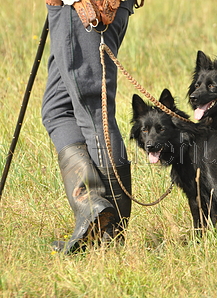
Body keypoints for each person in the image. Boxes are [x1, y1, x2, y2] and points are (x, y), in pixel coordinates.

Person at [42, 0, 143, 254]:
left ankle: (108, 237)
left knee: (95, 113)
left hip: (82, 9)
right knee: (57, 108)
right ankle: (94, 214)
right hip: (76, 10)